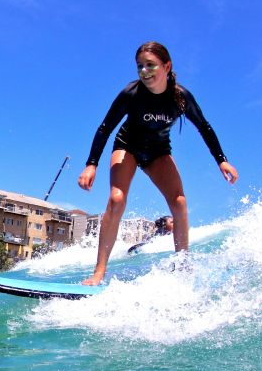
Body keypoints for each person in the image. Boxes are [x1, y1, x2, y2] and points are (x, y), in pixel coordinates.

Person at [78, 41, 238, 285]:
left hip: (158, 151)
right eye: (140, 66)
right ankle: (99, 272)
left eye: (150, 65)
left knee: (179, 202)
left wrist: (222, 161)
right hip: (127, 146)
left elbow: (204, 127)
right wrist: (91, 165)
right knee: (117, 199)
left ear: (166, 66)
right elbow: (105, 128)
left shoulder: (180, 97)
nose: (144, 71)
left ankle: (183, 267)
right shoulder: (131, 94)